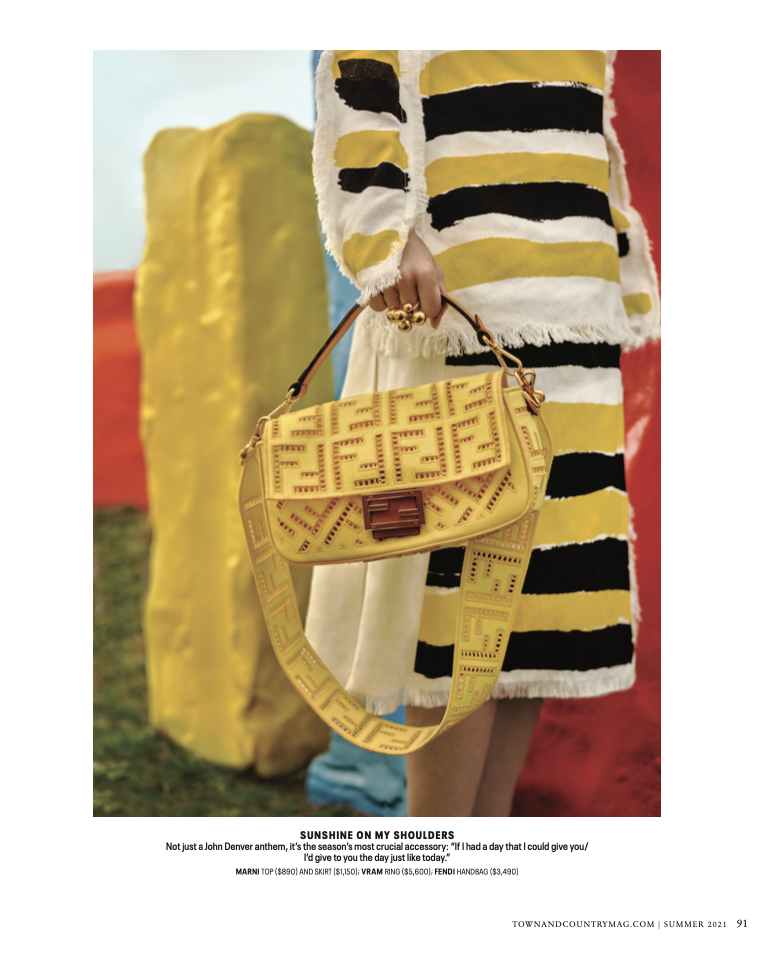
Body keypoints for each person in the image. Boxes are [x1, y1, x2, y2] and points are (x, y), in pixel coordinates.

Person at [305, 50, 660, 816]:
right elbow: (362, 67)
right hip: (465, 302)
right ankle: (439, 856)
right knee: (462, 610)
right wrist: (384, 234)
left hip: (578, 303)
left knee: (545, 606)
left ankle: (486, 848)